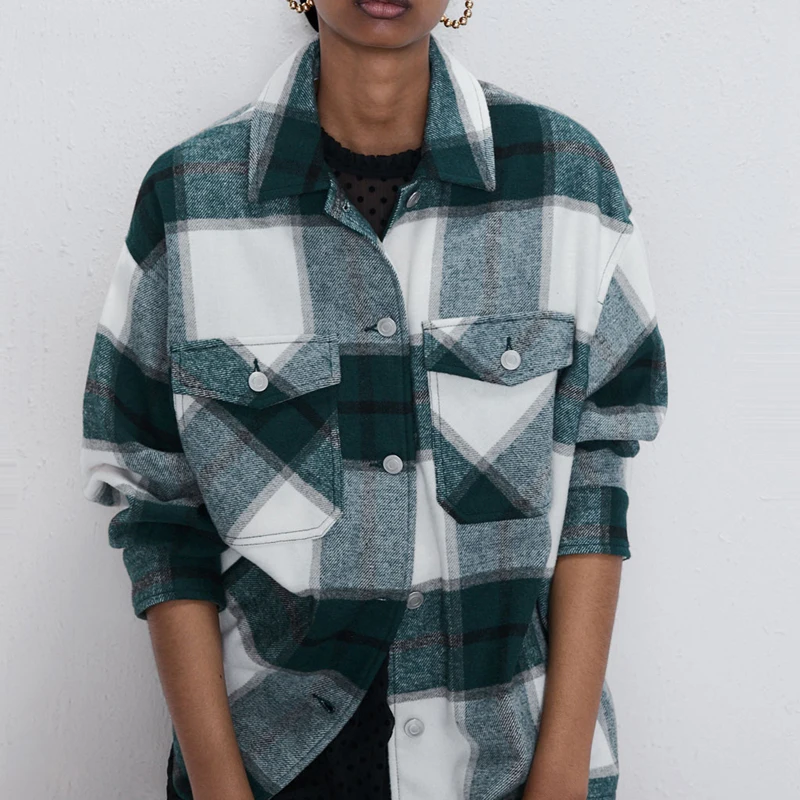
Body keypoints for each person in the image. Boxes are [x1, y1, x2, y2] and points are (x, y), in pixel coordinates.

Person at [79, 1, 668, 799]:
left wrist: (561, 775)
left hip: (506, 760)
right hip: (276, 764)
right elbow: (161, 510)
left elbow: (596, 480)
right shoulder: (188, 201)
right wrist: (220, 786)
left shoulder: (567, 183)